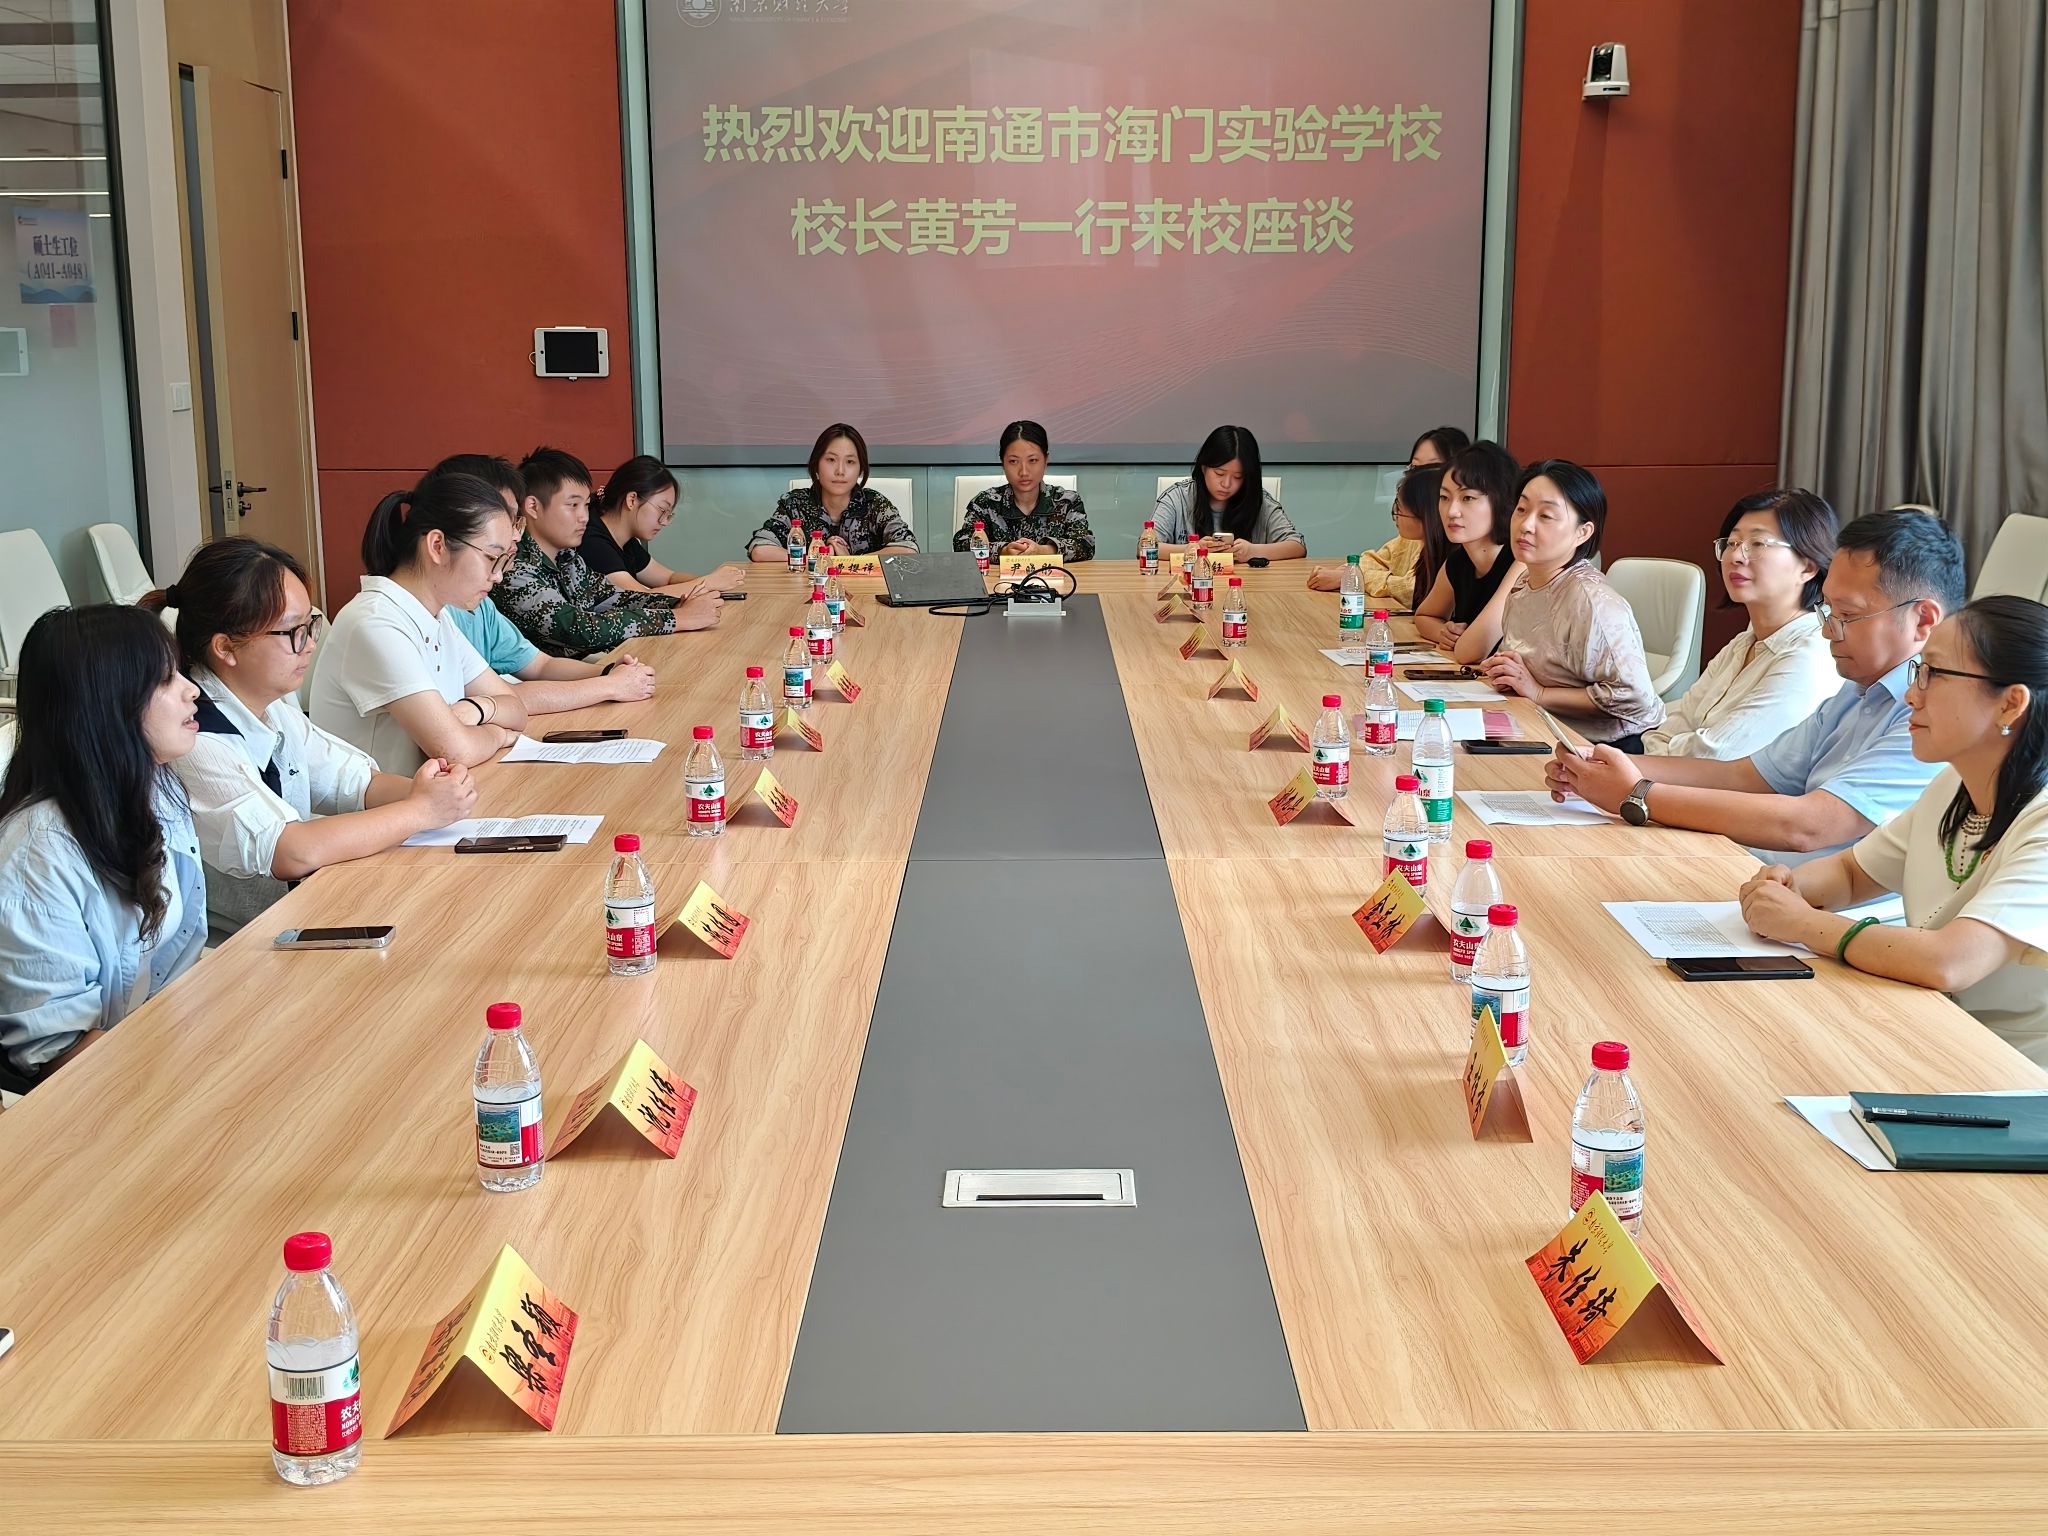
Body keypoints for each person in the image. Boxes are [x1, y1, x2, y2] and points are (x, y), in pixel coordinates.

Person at [1547, 509, 1966, 864]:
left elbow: (1809, 826)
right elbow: (1744, 776)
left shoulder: (1933, 715)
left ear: (1923, 621)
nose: (1828, 631)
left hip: (1831, 913)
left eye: (1848, 615)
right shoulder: (1855, 694)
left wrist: (1637, 793)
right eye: (1829, 611)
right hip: (1768, 880)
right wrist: (1600, 766)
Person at [1739, 597, 2048, 1062]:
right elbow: (1851, 873)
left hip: (2013, 1071)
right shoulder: (1953, 786)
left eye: (1934, 674)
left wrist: (1801, 922)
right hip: (1929, 1030)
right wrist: (1787, 887)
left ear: (2010, 703)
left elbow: (1949, 961)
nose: (1911, 696)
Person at [150, 539, 478, 938]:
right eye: (293, 631)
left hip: (303, 916)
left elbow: (358, 783)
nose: (309, 645)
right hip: (241, 948)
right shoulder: (195, 738)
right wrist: (422, 810)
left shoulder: (273, 710)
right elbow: (291, 849)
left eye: (311, 626)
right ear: (226, 648)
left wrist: (437, 793)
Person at [0, 606, 208, 1085]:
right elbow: (60, 1053)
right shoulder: (38, 854)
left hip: (155, 1048)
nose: (191, 689)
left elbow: (170, 966)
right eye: (165, 680)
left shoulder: (156, 792)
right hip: (99, 1092)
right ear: (108, 706)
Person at [309, 469, 532, 773]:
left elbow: (516, 708)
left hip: (435, 794)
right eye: (492, 557)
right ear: (437, 546)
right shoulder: (375, 623)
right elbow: (456, 750)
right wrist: (499, 735)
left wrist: (475, 709)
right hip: (388, 803)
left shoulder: (438, 618)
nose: (498, 576)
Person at [432, 453, 658, 711]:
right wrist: (609, 685)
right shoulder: (435, 611)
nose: (515, 535)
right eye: (506, 520)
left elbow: (540, 665)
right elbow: (502, 698)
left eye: (514, 521)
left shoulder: (480, 606)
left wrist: (607, 672)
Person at [1463, 461, 1664, 749]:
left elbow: (1635, 697)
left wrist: (1539, 692)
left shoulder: (1591, 600)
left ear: (1583, 532)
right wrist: (1508, 671)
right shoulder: (1522, 584)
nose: (1526, 525)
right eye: (1522, 509)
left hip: (1610, 746)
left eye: (1546, 515)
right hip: (1543, 725)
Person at [1642, 488, 1842, 759]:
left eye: (1757, 544)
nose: (1736, 556)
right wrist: (1666, 752)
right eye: (1732, 543)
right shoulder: (1742, 643)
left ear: (1807, 567)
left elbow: (1716, 757)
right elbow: (1662, 733)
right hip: (1668, 779)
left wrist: (1665, 753)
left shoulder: (1811, 654)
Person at [499, 447, 710, 658]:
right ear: (533, 507)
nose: (584, 516)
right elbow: (579, 629)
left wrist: (676, 605)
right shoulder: (515, 568)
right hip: (558, 674)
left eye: (585, 505)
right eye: (573, 505)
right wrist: (676, 618)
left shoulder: (567, 557)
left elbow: (611, 597)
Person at [1308, 425, 1469, 597]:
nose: (1418, 477)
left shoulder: (1458, 537)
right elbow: (1375, 560)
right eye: (1414, 468)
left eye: (1432, 468)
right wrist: (1351, 573)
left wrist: (1354, 578)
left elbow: (1415, 589)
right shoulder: (1414, 533)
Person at [747, 423, 917, 562]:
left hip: (866, 590)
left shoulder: (874, 504)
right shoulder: (796, 503)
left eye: (850, 461)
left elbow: (908, 549)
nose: (840, 471)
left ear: (860, 469)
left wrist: (850, 561)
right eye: (831, 460)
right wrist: (817, 559)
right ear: (816, 465)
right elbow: (760, 549)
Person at [584, 455, 748, 598]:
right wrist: (708, 583)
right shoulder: (592, 541)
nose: (664, 522)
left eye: (668, 514)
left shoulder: (626, 541)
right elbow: (638, 597)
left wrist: (714, 582)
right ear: (632, 500)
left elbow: (668, 578)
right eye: (662, 510)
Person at [1410, 440, 1519, 650]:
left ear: (1501, 500)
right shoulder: (1459, 560)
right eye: (1444, 497)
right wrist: (1443, 633)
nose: (1451, 511)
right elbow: (1425, 616)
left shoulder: (1520, 561)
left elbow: (1477, 649)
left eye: (1467, 498)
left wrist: (1460, 642)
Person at [1152, 425, 1305, 561]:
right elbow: (1146, 546)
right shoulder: (1177, 498)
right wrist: (1192, 549)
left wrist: (1253, 551)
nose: (1226, 484)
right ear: (1204, 468)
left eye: (1238, 477)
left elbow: (1297, 546)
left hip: (1248, 582)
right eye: (1219, 473)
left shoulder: (1259, 502)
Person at [953, 421, 1095, 562]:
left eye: (1032, 460)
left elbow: (1085, 545)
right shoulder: (985, 503)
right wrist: (1002, 551)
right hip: (999, 577)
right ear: (1003, 463)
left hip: (1054, 577)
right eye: (1014, 461)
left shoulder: (1067, 501)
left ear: (1046, 461)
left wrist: (1044, 551)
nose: (1024, 472)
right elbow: (962, 544)